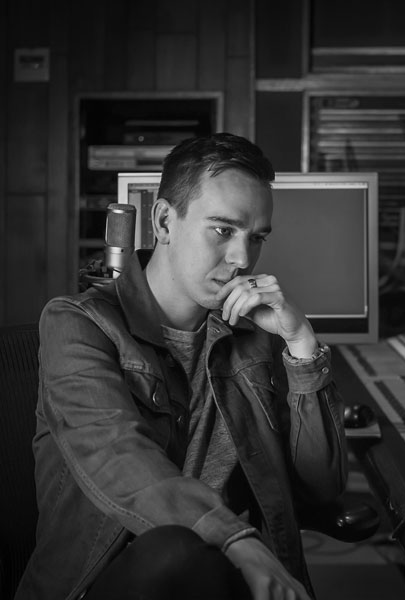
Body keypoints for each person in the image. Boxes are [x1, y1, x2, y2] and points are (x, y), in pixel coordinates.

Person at [16, 133, 348, 600]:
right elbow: (117, 455)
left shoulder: (254, 337)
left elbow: (321, 488)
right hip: (116, 582)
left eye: (256, 238)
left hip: (231, 583)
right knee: (177, 554)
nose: (242, 259)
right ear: (164, 221)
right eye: (223, 230)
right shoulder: (78, 323)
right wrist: (237, 541)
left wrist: (301, 343)